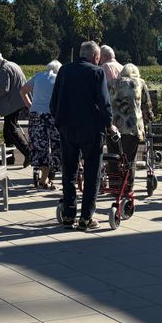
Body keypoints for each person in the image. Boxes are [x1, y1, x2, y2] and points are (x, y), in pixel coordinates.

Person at [50, 41, 117, 230]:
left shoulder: (64, 71)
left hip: (67, 128)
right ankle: (86, 217)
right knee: (91, 173)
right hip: (91, 129)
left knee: (69, 172)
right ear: (95, 57)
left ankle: (69, 215)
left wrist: (59, 121)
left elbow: (54, 101)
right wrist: (109, 124)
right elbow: (104, 103)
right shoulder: (96, 72)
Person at [20, 60, 62, 189]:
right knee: (56, 145)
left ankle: (43, 177)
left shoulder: (38, 76)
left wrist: (30, 106)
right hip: (52, 116)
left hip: (36, 115)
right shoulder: (59, 79)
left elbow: (22, 91)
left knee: (39, 146)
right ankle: (48, 177)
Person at [0, 51, 31, 167]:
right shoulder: (13, 64)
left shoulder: (3, 69)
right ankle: (9, 158)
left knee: (10, 130)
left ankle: (28, 153)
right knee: (7, 131)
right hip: (20, 101)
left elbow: (4, 89)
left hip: (12, 103)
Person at [109, 63, 153, 166]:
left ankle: (114, 180)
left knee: (113, 158)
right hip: (132, 127)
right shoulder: (140, 83)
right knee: (130, 158)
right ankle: (128, 181)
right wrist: (148, 117)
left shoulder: (114, 83)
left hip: (113, 126)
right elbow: (147, 105)